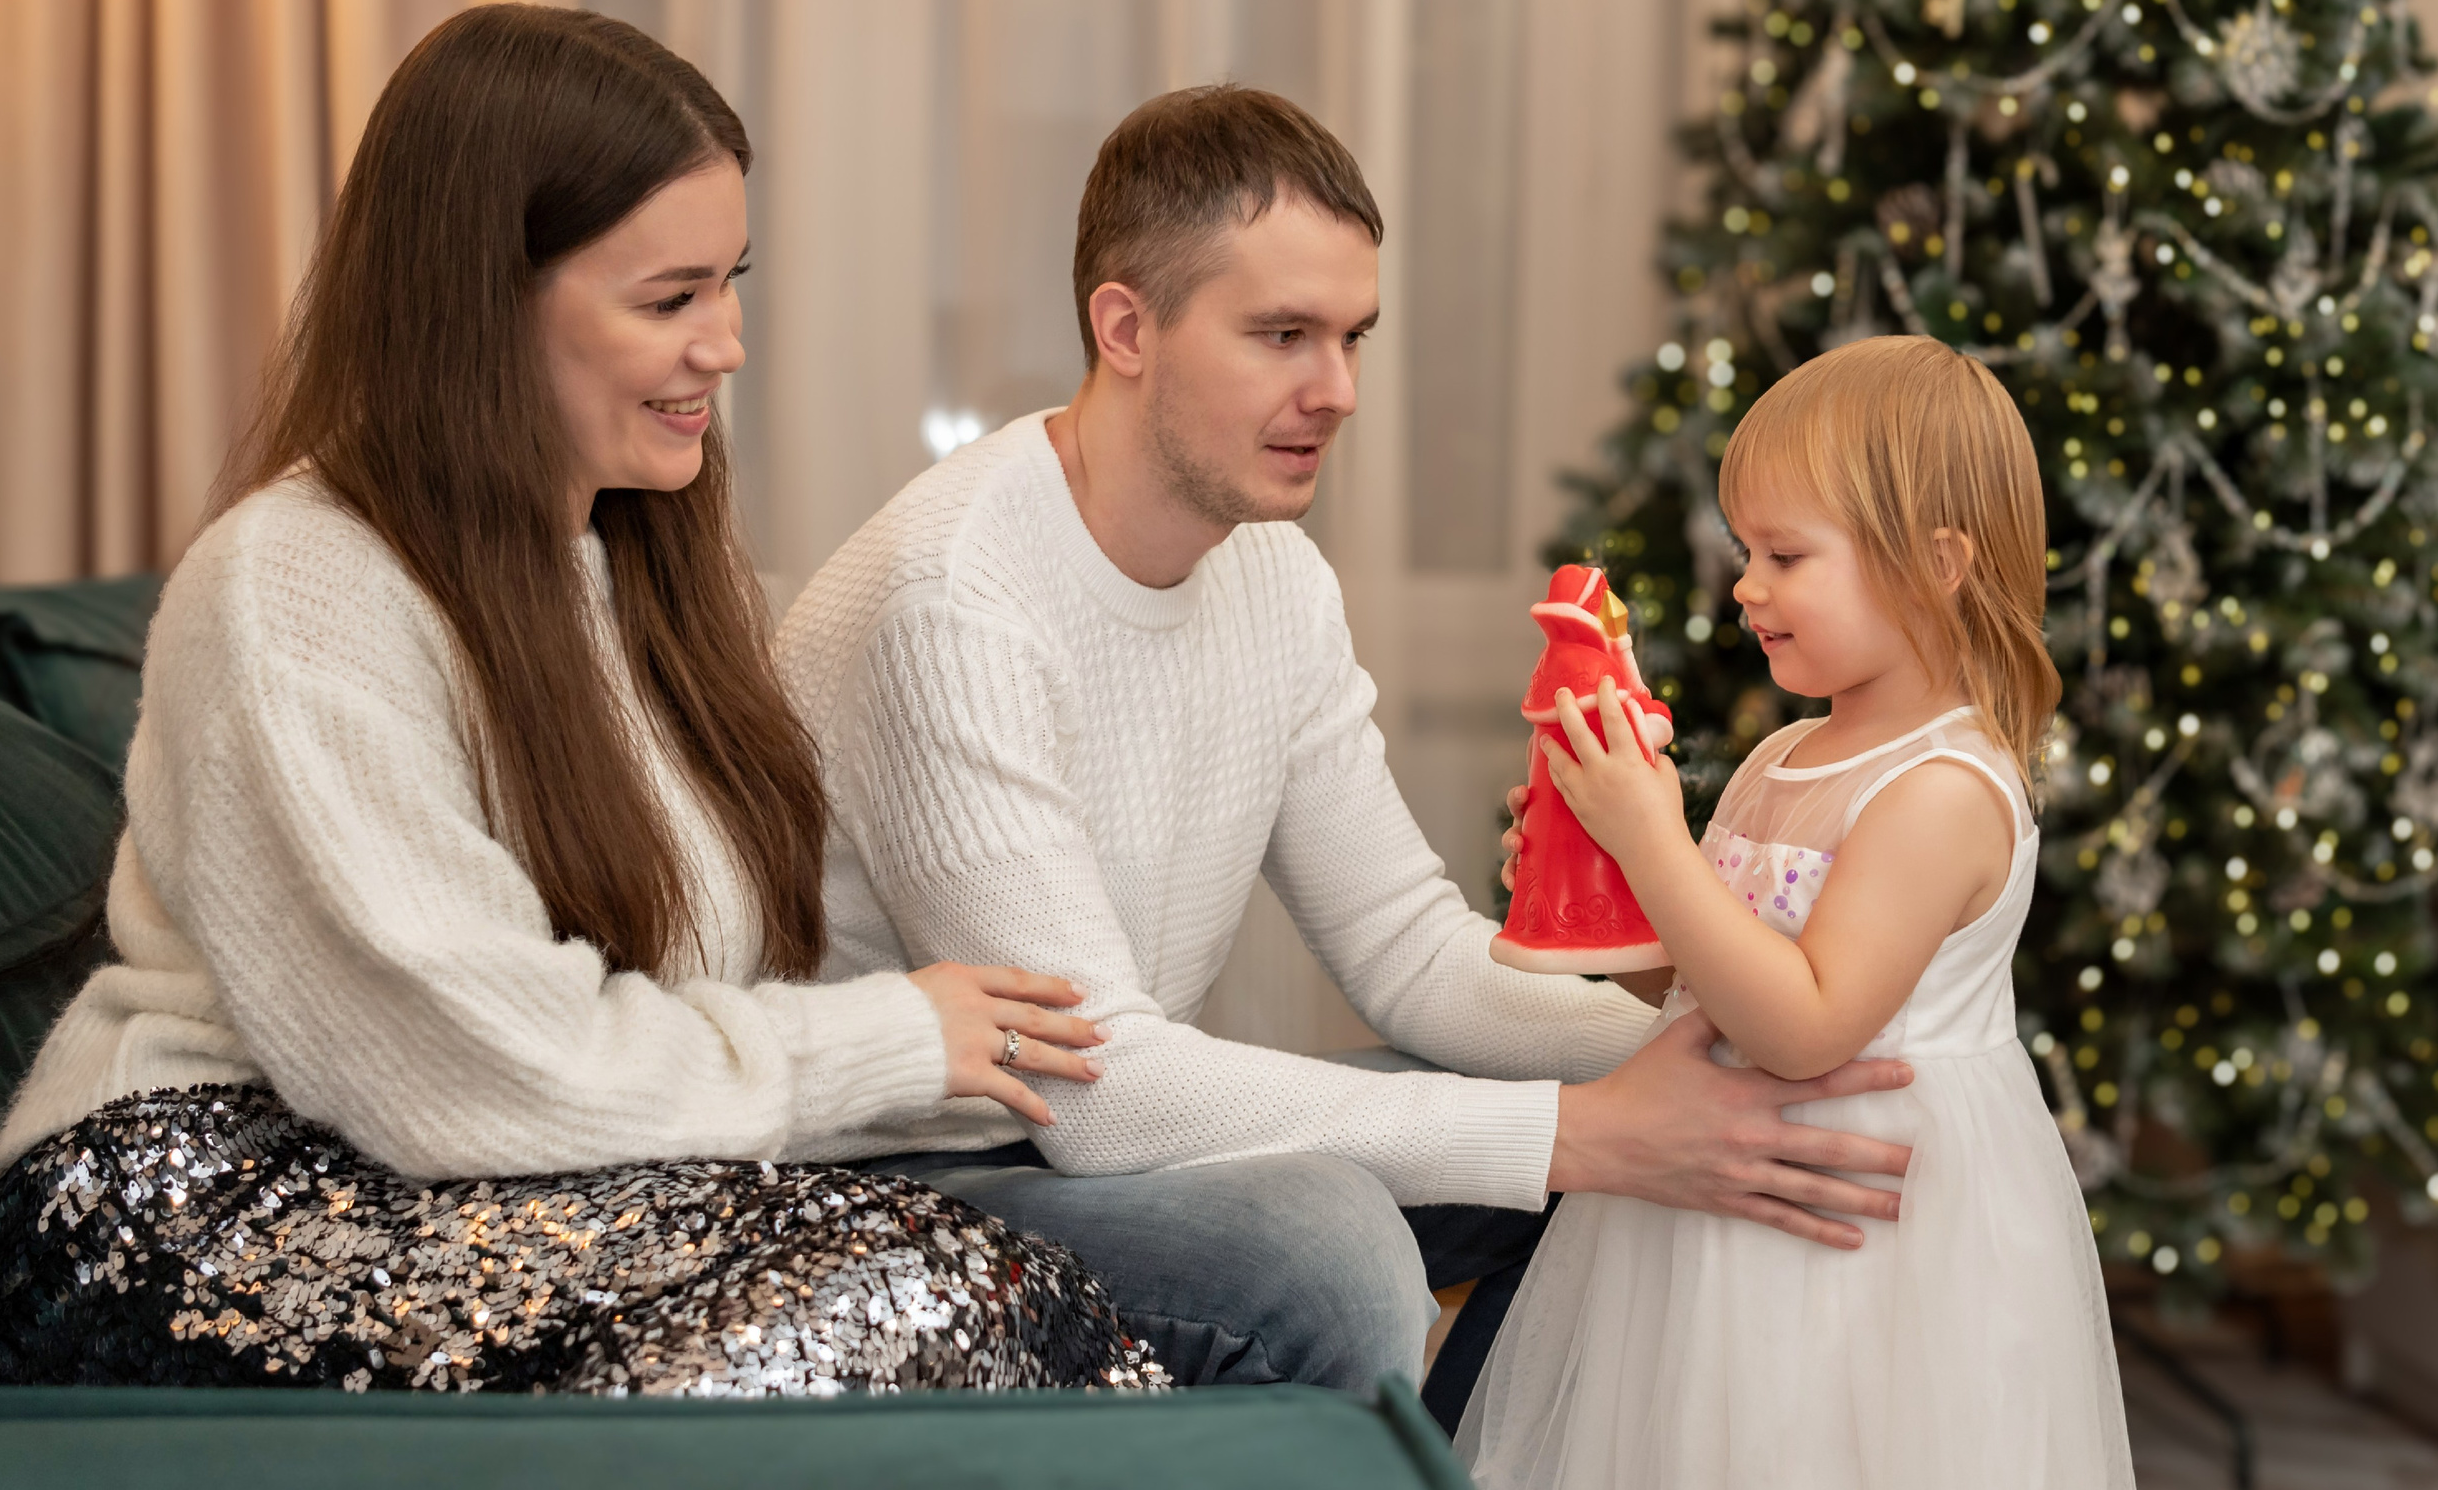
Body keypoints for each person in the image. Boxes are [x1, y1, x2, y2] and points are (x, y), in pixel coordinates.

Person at [0, 5, 1159, 1397]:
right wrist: (886, 1038)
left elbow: (699, 1016)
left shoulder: (650, 576)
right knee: (916, 1298)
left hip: (492, 1182)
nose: (728, 344)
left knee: (1010, 1284)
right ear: (483, 299)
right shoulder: (292, 584)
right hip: (186, 1208)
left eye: (732, 280)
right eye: (670, 298)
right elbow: (465, 1069)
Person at [776, 84, 1917, 1424]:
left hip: (1099, 1132)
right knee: (1338, 1242)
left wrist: (1700, 1048)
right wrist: (1586, 1128)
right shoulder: (955, 600)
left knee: (1637, 1131)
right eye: (1282, 336)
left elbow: (1410, 949)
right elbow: (1096, 1093)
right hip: (895, 1178)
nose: (1339, 390)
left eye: (1353, 335)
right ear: (1125, 326)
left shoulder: (1275, 576)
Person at [1460, 336, 2134, 1487]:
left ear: (1935, 562)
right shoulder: (1786, 750)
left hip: (1861, 1234)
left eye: (1785, 553)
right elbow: (1707, 983)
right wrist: (1601, 880)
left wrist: (1653, 840)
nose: (1745, 584)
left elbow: (1807, 1023)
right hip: (1722, 1185)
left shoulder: (1940, 790)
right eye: (1743, 550)